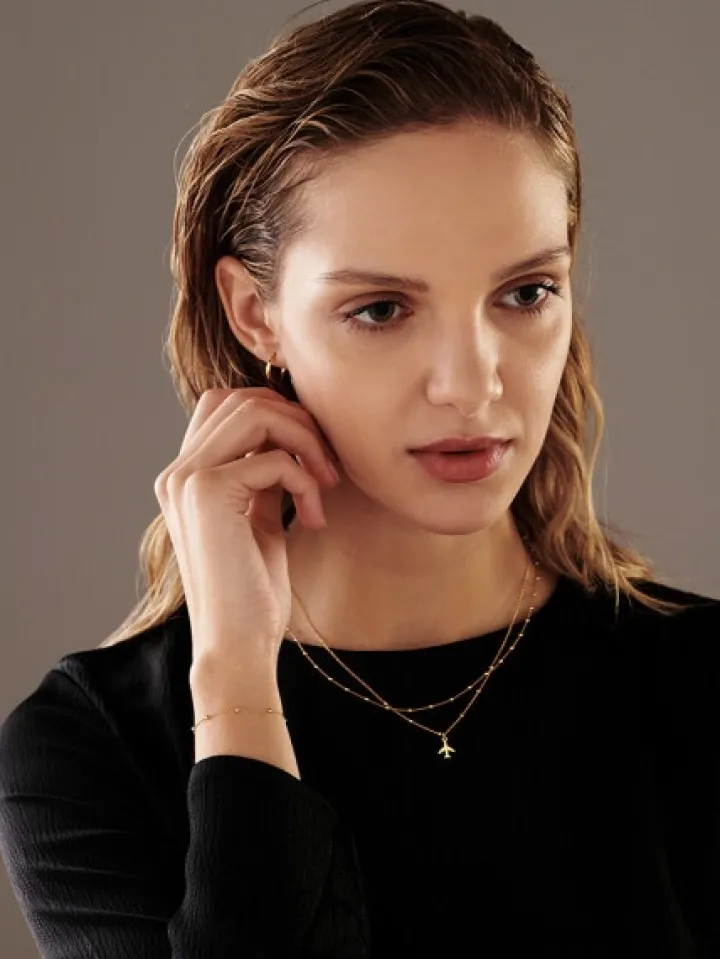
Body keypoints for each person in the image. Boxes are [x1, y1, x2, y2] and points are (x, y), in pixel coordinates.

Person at [1, 0, 719, 956]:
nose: (472, 384)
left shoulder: (703, 689)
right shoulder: (93, 749)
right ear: (255, 313)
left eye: (525, 292)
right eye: (382, 309)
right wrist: (236, 684)